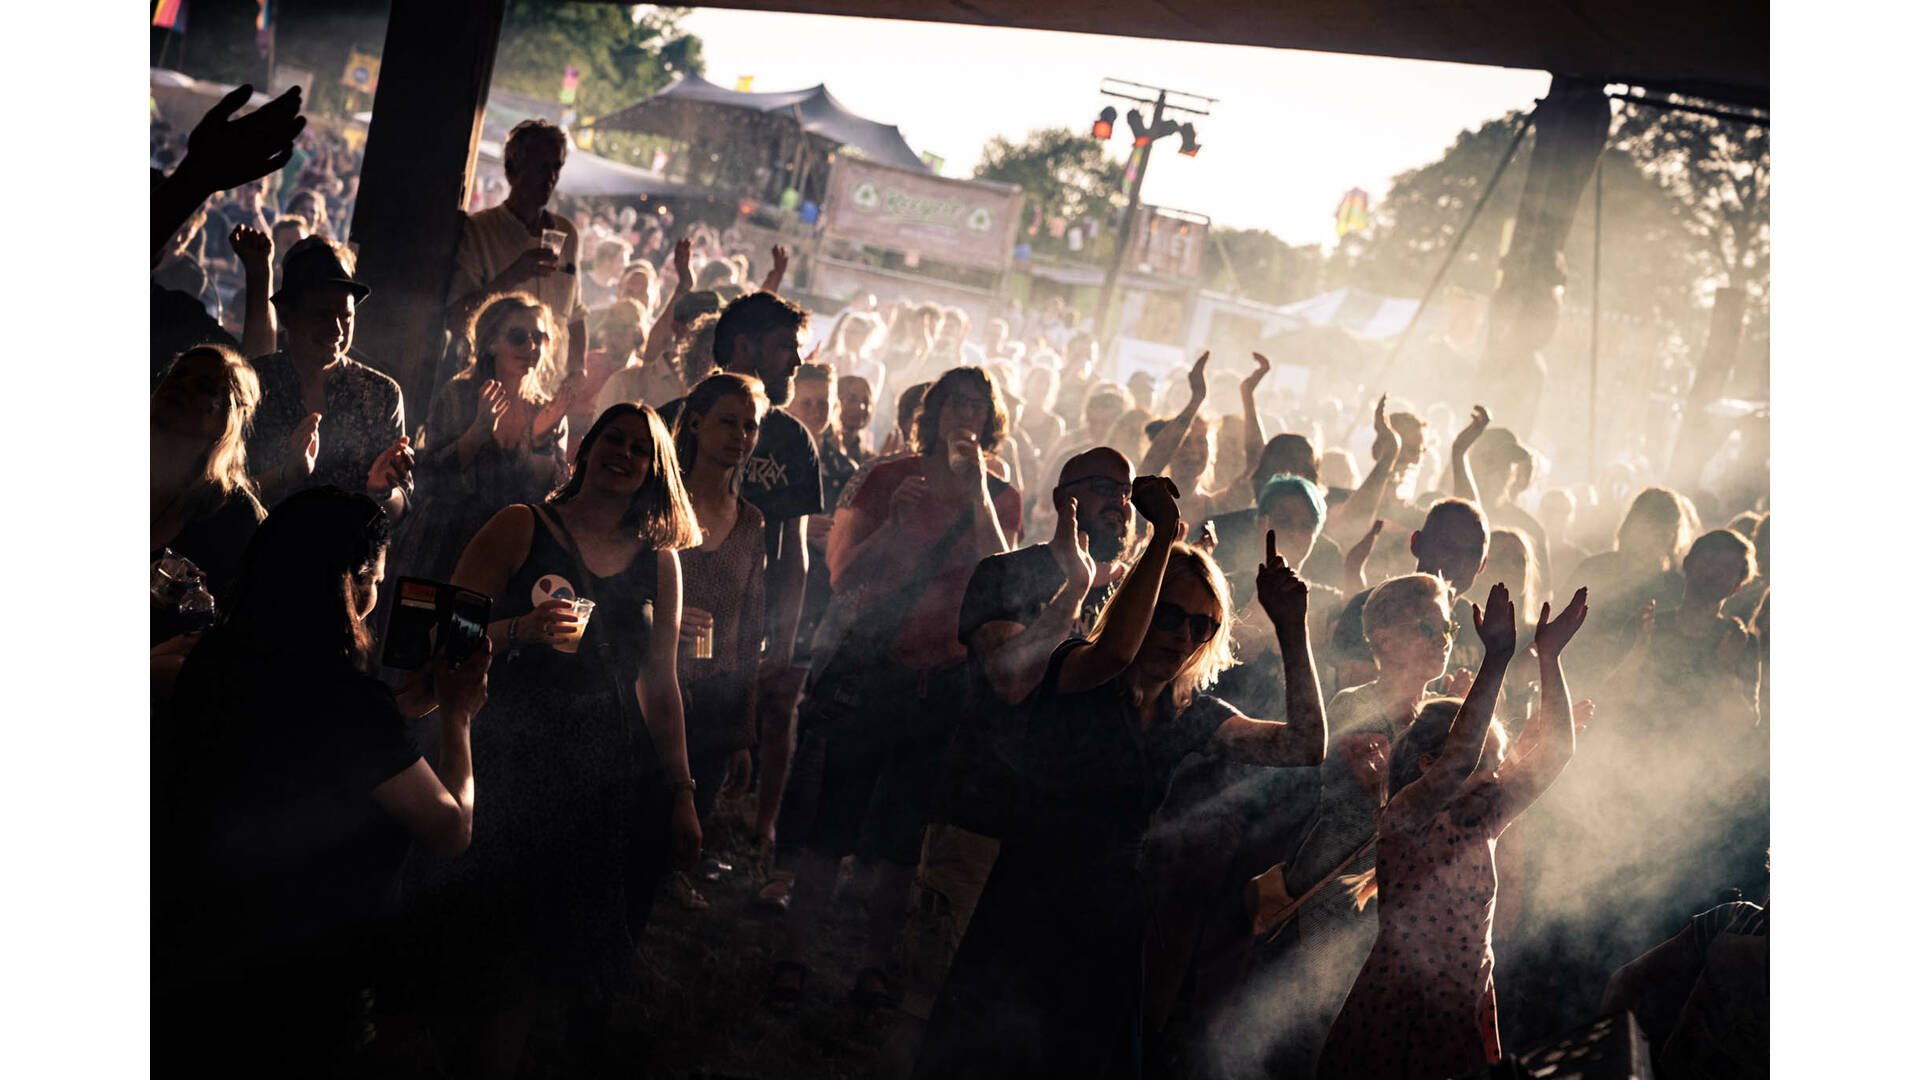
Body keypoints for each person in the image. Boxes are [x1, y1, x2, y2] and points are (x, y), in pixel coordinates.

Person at [914, 486, 1327, 1080]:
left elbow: (1304, 746)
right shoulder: (1078, 668)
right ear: (1141, 603)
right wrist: (1162, 538)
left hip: (1111, 918)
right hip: (1030, 904)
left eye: (1203, 626)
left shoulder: (1190, 714)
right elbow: (1112, 655)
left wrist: (1291, 626)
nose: (1183, 635)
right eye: (1170, 614)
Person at [155, 487, 491, 1078]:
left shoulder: (214, 660)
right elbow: (450, 828)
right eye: (375, 580)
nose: (375, 597)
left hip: (197, 949)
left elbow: (299, 746)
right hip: (303, 983)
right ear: (349, 582)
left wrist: (398, 713)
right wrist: (458, 717)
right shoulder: (347, 702)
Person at [423, 403, 702, 1078]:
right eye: (613, 440)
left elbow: (660, 682)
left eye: (640, 449)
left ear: (655, 470)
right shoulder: (521, 526)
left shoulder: (660, 561)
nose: (624, 455)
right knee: (482, 933)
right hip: (506, 753)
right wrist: (520, 630)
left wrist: (682, 790)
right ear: (585, 448)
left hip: (598, 769)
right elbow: (443, 635)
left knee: (550, 952)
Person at [879, 449, 1138, 1074]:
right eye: (1105, 488)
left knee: (1013, 1017)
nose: (1121, 503)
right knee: (928, 1001)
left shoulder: (1131, 599)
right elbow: (1010, 679)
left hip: (1065, 841)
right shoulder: (1003, 573)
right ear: (1066, 499)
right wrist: (1074, 590)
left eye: (1128, 493)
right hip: (982, 815)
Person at [773, 366, 1023, 1012]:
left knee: (901, 843)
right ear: (933, 413)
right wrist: (892, 526)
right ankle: (794, 956)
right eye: (955, 403)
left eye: (978, 406)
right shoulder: (887, 479)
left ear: (991, 422)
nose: (966, 416)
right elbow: (841, 574)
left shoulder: (1002, 496)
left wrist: (979, 494)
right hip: (875, 672)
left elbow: (1002, 581)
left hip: (943, 683)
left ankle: (873, 967)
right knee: (833, 822)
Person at [1318, 583, 1587, 1079]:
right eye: (1487, 764)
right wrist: (1496, 659)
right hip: (1403, 1004)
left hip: (1465, 999)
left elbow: (1557, 752)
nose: (1496, 774)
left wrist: (1550, 659)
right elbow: (1460, 759)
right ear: (1427, 765)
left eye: (1495, 762)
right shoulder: (1405, 817)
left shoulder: (1485, 819)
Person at [655, 291, 822, 851]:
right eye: (786, 347)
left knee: (711, 747)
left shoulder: (793, 439)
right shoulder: (670, 420)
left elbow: (792, 552)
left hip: (734, 627)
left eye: (747, 427)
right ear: (746, 346)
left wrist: (783, 640)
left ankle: (704, 846)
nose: (796, 361)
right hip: (658, 623)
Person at [669, 374, 770, 908]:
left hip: (716, 690)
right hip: (652, 678)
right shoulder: (661, 501)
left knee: (695, 805)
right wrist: (661, 617)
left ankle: (671, 877)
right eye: (728, 421)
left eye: (750, 426)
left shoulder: (751, 522)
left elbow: (752, 628)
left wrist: (744, 733)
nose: (740, 435)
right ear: (696, 423)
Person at [407, 293, 571, 582]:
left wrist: (541, 440)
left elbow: (546, 497)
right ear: (491, 342)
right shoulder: (458, 395)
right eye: (518, 337)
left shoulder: (548, 411)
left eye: (539, 337)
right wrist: (478, 431)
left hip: (510, 553)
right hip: (446, 544)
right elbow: (431, 478)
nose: (531, 347)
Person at [245, 236, 413, 518]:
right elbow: (220, 491)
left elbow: (401, 508)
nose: (337, 330)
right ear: (287, 316)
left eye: (346, 316)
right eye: (322, 315)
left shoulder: (382, 392)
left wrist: (383, 492)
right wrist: (286, 475)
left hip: (348, 547)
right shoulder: (253, 381)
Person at [446, 119, 590, 393]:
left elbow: (575, 315)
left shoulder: (567, 233)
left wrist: (578, 370)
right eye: (541, 166)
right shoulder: (480, 230)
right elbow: (456, 318)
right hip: (491, 388)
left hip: (549, 390)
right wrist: (512, 276)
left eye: (556, 167)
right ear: (512, 169)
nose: (550, 177)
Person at [150, 345, 266, 647]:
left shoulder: (235, 516)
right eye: (178, 375)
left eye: (203, 386)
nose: (181, 386)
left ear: (228, 418)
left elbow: (238, 631)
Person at [1328, 498, 1491, 692]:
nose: (1459, 561)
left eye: (1472, 553)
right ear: (1417, 544)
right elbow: (1359, 699)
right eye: (1447, 546)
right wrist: (1451, 704)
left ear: (1483, 564)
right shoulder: (1373, 607)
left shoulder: (1479, 625)